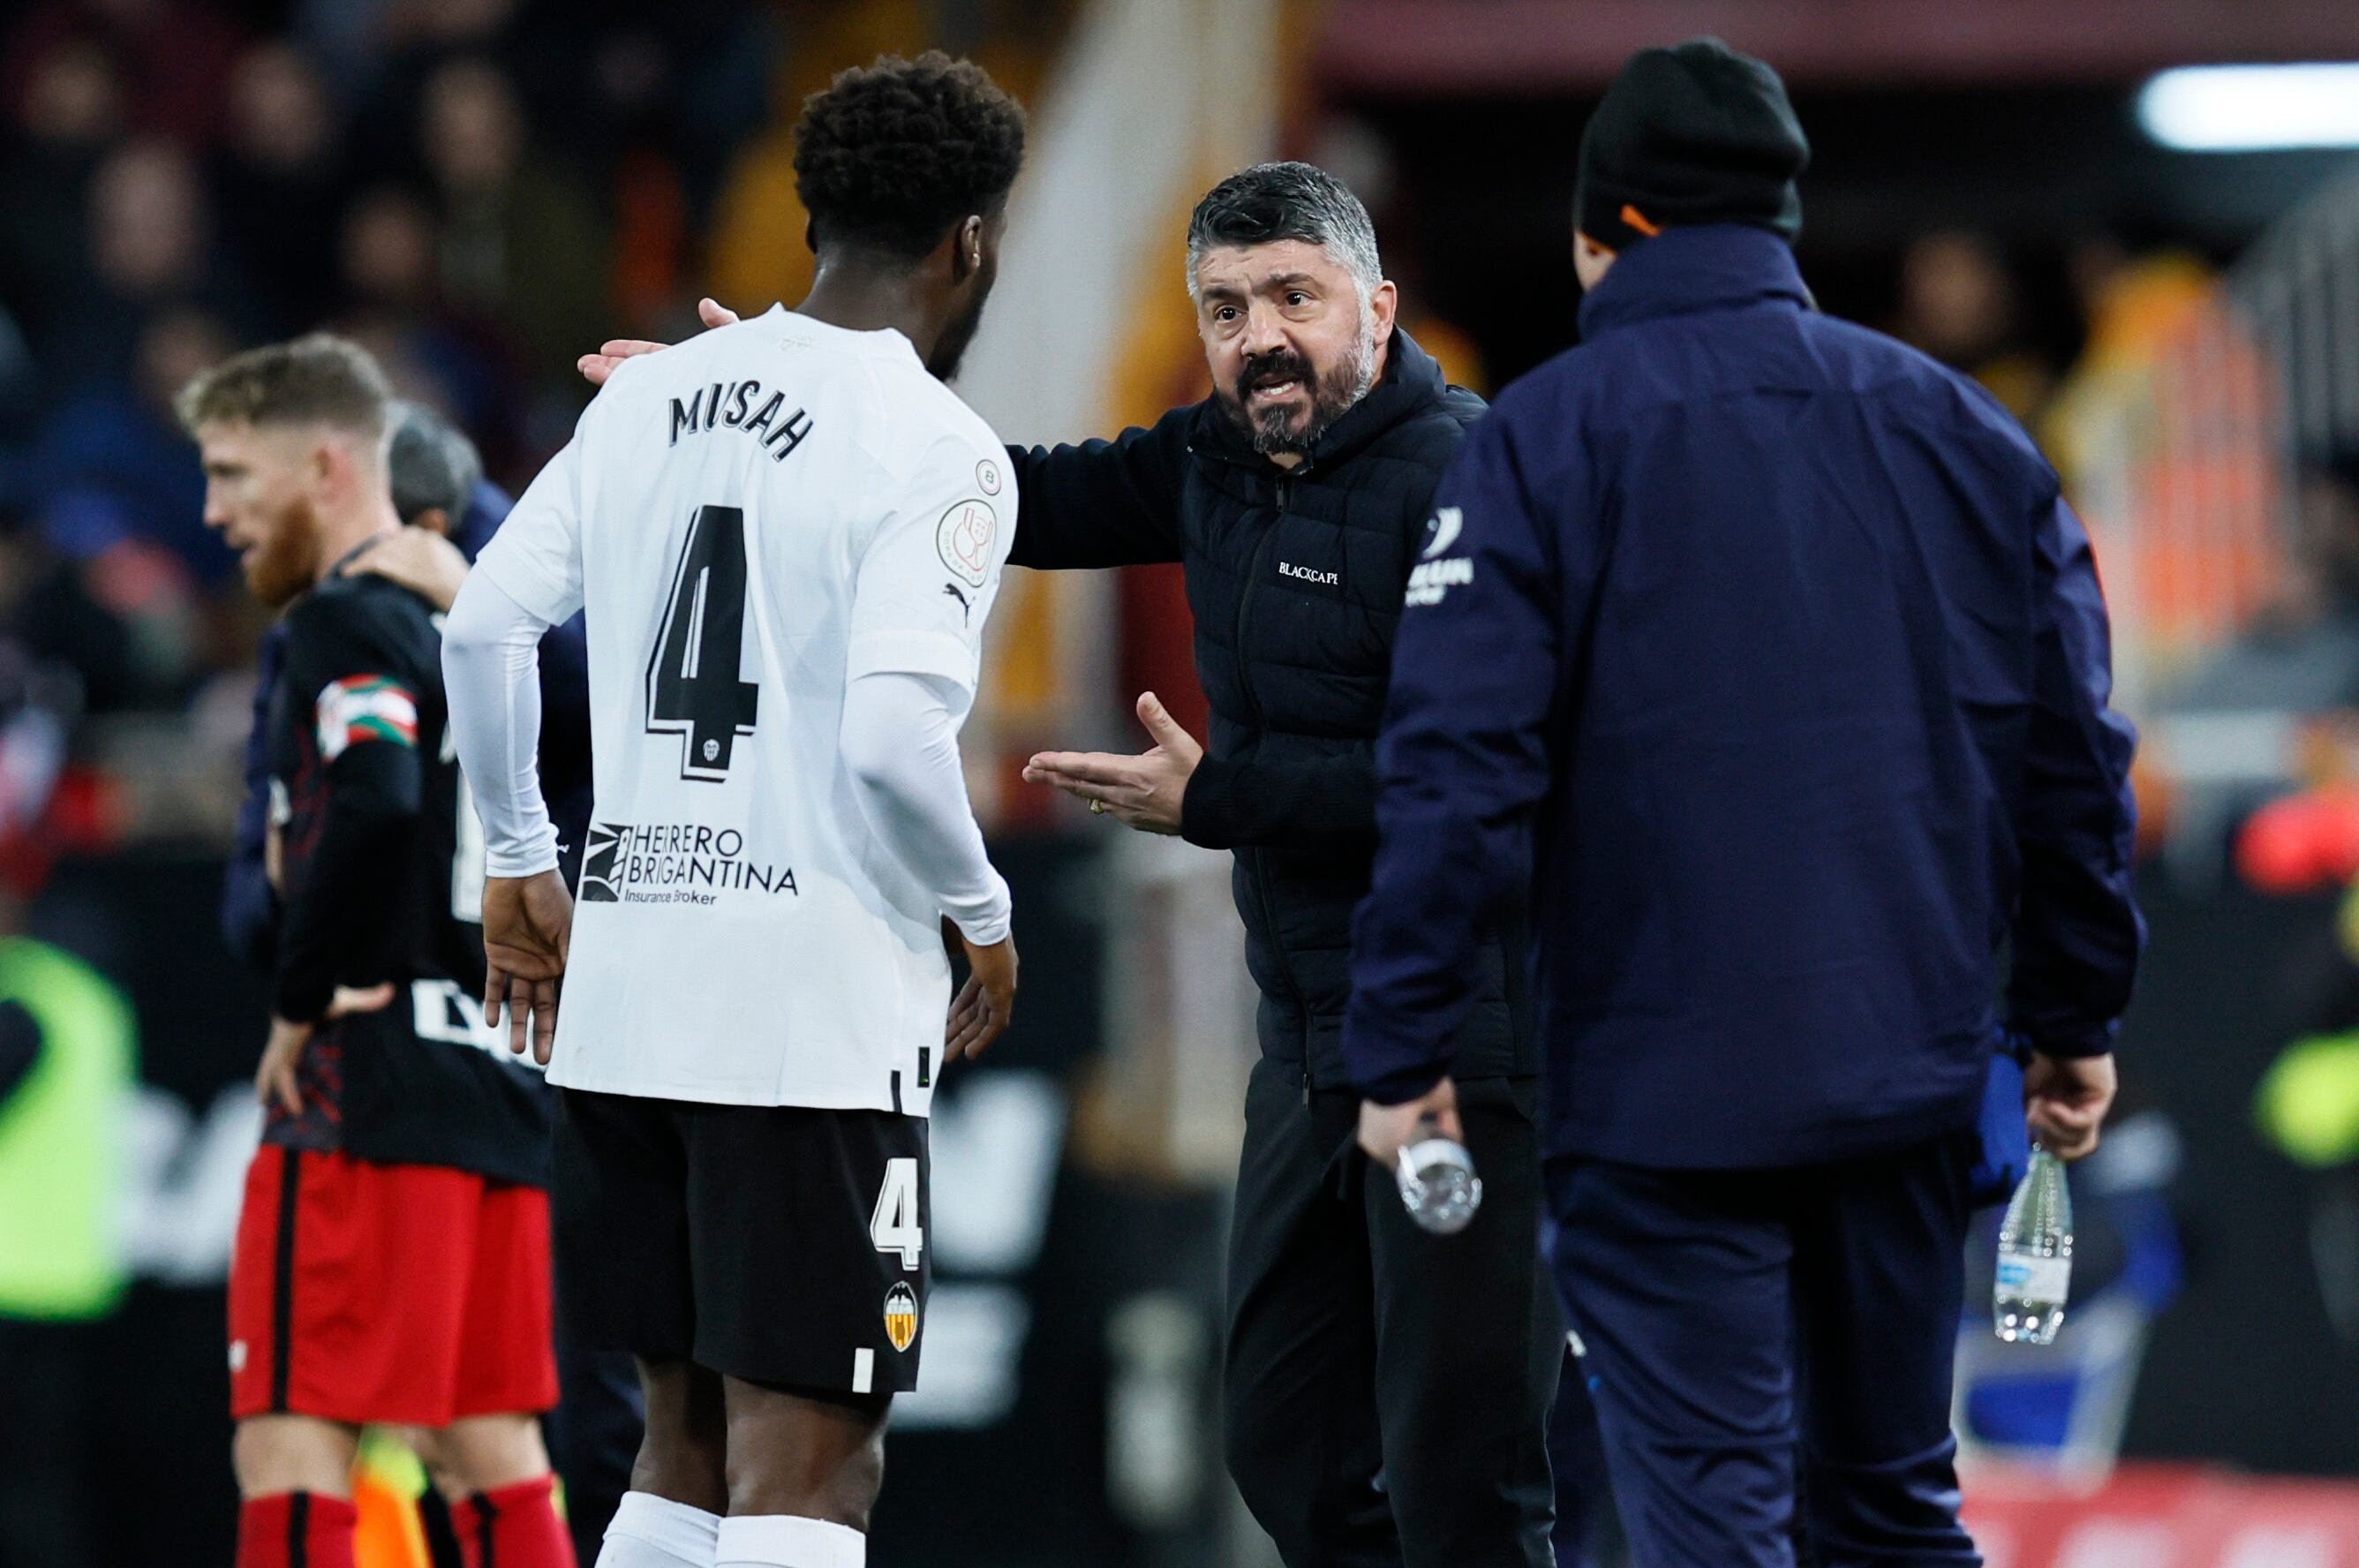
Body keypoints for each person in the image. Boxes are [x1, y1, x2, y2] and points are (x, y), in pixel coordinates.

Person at [584, 159, 1563, 1568]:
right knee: (1284, 1446)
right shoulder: (1211, 460)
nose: (1261, 336)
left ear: (1381, 305)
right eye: (1226, 308)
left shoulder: (1468, 477)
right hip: (1302, 1048)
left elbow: (1495, 781)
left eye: (1297, 296)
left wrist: (1223, 795)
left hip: (1470, 1043)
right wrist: (773, 397)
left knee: (1467, 1471)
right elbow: (1002, 494)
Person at [1345, 39, 2141, 1568]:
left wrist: (1405, 1044)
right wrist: (2073, 1014)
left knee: (1712, 1527)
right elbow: (2069, 757)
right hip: (1905, 1083)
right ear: (1777, 223)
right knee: (1896, 1510)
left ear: (1602, 233)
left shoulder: (1539, 442)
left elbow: (1455, 771)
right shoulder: (1969, 435)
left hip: (1660, 1105)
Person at [442, 52, 1026, 1568]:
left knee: (677, 1451)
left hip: (628, 990)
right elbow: (898, 740)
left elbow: (481, 628)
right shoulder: (937, 442)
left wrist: (519, 855)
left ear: (811, 213)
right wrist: (984, 911)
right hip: (810, 1003)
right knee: (813, 1469)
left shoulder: (648, 396)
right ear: (973, 239)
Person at [219, 399, 634, 1568]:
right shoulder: (542, 654)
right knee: (494, 1441)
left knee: (295, 1436)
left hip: (379, 1065)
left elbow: (359, 812)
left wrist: (302, 989)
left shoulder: (348, 622)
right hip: (506, 1063)